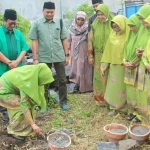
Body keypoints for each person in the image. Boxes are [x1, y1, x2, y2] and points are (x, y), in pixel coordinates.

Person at [28, 1, 70, 110]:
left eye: (52, 12)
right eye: (47, 12)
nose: (50, 14)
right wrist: (35, 58)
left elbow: (64, 39)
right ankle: (44, 103)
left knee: (62, 80)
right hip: (44, 57)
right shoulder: (37, 23)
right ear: (43, 11)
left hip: (58, 55)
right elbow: (34, 41)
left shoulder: (59, 22)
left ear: (54, 11)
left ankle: (63, 102)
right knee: (44, 82)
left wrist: (67, 55)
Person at [0, 63, 54, 140]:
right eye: (42, 82)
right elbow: (24, 105)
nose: (43, 85)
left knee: (28, 104)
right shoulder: (26, 82)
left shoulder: (34, 73)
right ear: (38, 78)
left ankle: (24, 127)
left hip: (12, 87)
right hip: (3, 93)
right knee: (21, 107)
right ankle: (14, 130)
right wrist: (33, 124)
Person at [0, 9, 29, 121]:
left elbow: (24, 48)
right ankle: (4, 111)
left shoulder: (18, 33)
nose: (13, 25)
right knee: (3, 89)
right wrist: (8, 62)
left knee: (14, 88)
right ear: (4, 20)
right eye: (10, 23)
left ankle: (14, 109)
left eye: (14, 23)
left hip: (16, 67)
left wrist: (17, 61)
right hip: (2, 68)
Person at [101, 15, 129, 113]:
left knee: (124, 88)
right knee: (113, 87)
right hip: (114, 66)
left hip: (125, 67)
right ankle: (113, 106)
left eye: (117, 26)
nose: (116, 29)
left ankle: (125, 108)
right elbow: (107, 52)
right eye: (113, 27)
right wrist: (104, 67)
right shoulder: (112, 35)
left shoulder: (129, 36)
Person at [88, 4, 114, 102]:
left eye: (102, 14)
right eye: (98, 15)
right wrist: (90, 55)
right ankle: (100, 98)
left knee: (111, 76)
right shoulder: (94, 24)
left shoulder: (113, 22)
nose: (100, 17)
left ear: (107, 13)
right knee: (99, 77)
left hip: (111, 55)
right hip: (98, 55)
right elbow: (90, 40)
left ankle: (111, 99)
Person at [132, 5, 150, 122]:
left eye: (143, 18)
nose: (141, 21)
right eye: (139, 18)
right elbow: (138, 45)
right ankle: (142, 115)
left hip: (147, 65)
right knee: (142, 91)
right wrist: (138, 51)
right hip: (143, 64)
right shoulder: (143, 29)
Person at [67, 11, 93, 93]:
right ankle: (75, 85)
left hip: (84, 52)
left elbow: (90, 41)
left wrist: (90, 52)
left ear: (85, 20)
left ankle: (86, 86)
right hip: (74, 53)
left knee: (83, 67)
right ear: (75, 19)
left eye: (82, 20)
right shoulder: (71, 28)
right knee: (75, 66)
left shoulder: (87, 28)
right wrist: (67, 51)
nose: (80, 21)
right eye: (78, 19)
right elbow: (68, 40)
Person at [123, 14, 141, 120]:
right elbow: (125, 51)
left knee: (137, 91)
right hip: (128, 66)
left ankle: (138, 114)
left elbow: (143, 52)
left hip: (137, 67)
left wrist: (133, 63)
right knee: (130, 91)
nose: (131, 28)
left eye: (133, 26)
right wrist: (125, 61)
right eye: (129, 26)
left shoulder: (142, 36)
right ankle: (131, 111)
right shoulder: (129, 36)